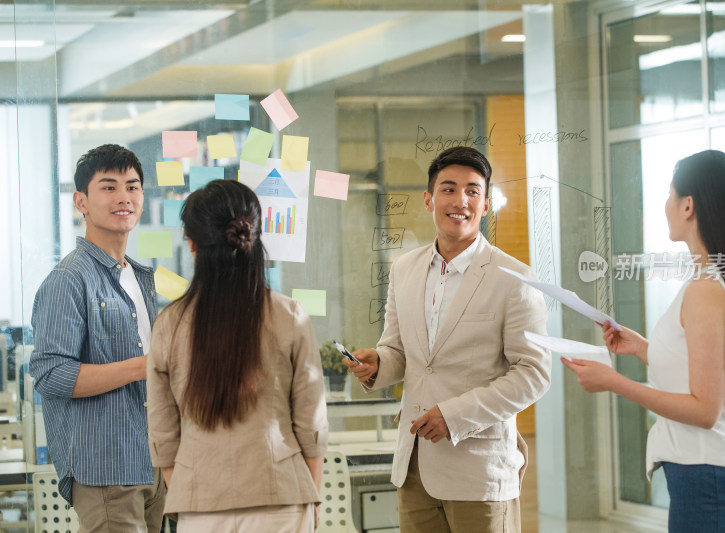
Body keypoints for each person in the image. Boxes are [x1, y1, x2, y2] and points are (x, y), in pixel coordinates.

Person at [345, 146, 551, 533]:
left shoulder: (515, 278)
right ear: (428, 199)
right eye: (449, 189)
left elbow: (533, 375)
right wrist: (378, 363)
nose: (461, 201)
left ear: (486, 204)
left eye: (473, 191)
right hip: (414, 466)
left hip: (479, 471)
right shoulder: (404, 269)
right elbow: (399, 350)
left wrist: (454, 416)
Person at [562, 150, 725, 533]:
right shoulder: (718, 279)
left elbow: (705, 410)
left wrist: (616, 383)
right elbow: (702, 369)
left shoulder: (706, 289)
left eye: (669, 194)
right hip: (713, 475)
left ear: (688, 205)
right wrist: (642, 347)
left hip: (709, 480)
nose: (665, 205)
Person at [147, 179, 328, 533]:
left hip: (200, 504)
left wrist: (191, 489)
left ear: (193, 245)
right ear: (254, 237)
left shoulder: (169, 324)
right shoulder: (289, 314)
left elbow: (162, 433)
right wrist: (309, 497)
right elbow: (311, 423)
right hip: (280, 497)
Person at [29, 144, 166, 532]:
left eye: (133, 186)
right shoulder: (69, 280)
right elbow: (51, 375)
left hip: (152, 459)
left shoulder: (139, 278)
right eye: (108, 187)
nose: (124, 196)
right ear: (81, 202)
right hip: (106, 468)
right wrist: (145, 367)